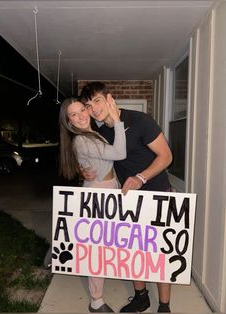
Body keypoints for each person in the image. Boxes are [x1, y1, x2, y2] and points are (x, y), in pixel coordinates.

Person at [80, 81, 173, 313]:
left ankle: (164, 306)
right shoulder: (100, 132)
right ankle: (141, 297)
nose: (94, 109)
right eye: (88, 105)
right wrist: (84, 169)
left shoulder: (140, 121)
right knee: (135, 250)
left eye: (97, 101)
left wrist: (141, 178)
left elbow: (166, 156)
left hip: (157, 192)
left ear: (110, 99)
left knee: (159, 252)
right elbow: (99, 161)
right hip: (128, 199)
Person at [59, 97, 127, 313]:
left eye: (82, 110)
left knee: (102, 246)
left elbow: (99, 162)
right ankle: (96, 301)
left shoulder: (92, 133)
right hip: (98, 192)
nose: (80, 116)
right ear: (68, 121)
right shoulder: (82, 140)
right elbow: (120, 154)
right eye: (73, 114)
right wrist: (117, 119)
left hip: (105, 188)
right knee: (97, 250)